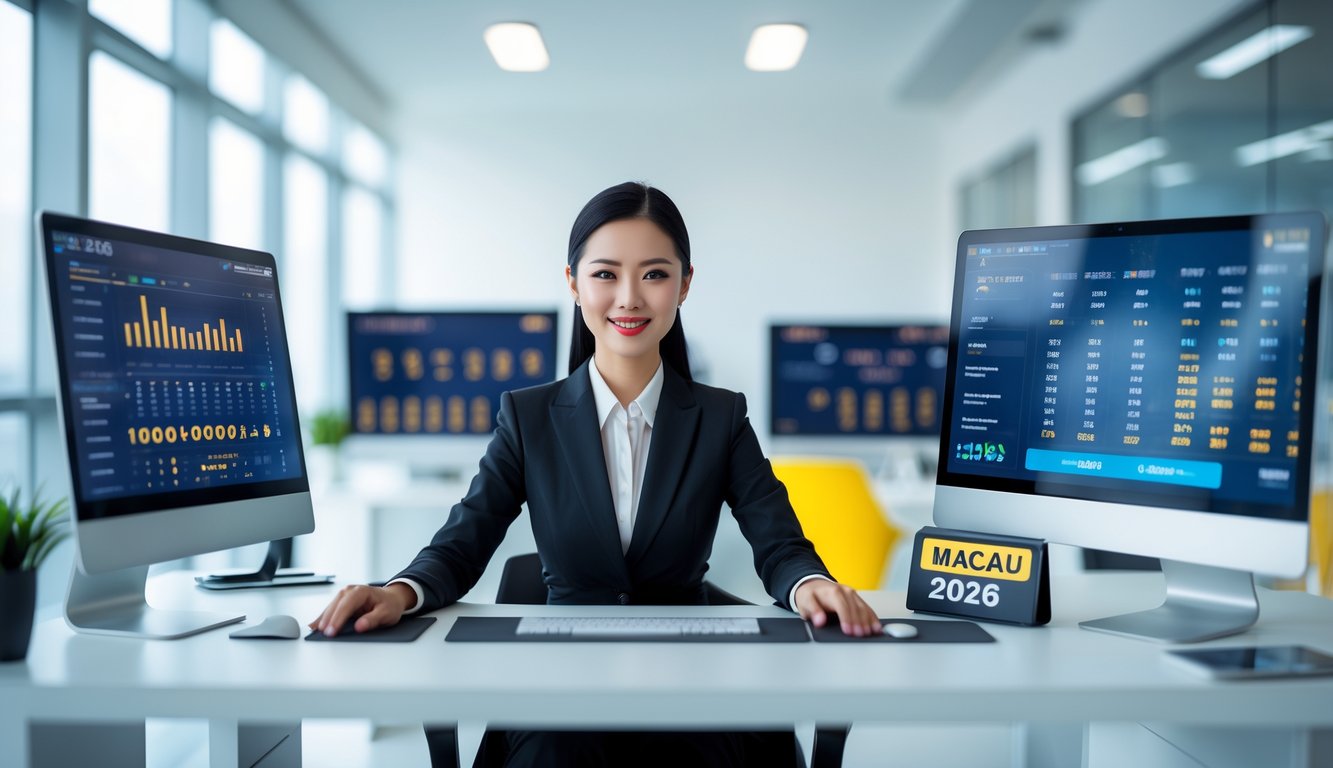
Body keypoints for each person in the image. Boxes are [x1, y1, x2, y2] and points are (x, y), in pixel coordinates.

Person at [311, 181, 883, 767]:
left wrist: (809, 584)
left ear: (684, 284)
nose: (629, 298)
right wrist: (397, 591)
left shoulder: (720, 416)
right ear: (573, 283)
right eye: (606, 274)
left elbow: (779, 543)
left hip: (690, 680)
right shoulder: (528, 416)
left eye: (655, 275)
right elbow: (463, 542)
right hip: (560, 680)